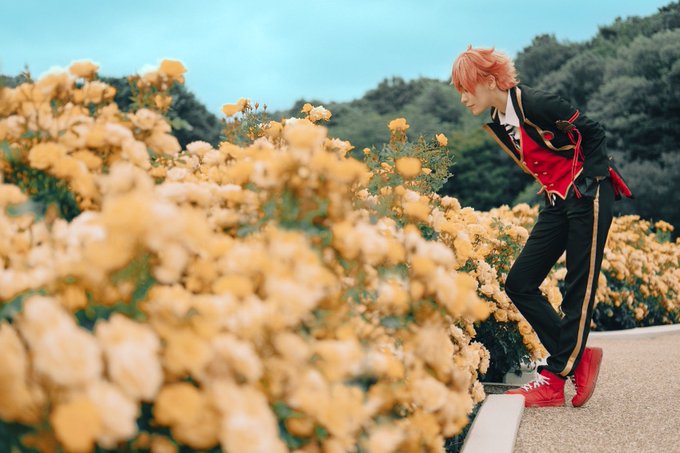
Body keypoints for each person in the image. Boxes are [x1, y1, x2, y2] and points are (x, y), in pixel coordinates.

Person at [450, 46, 633, 408]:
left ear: (489, 81)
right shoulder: (501, 119)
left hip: (586, 195)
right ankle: (580, 359)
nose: (463, 98)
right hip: (556, 201)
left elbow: (593, 132)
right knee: (519, 282)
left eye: (466, 89)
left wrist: (591, 181)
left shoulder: (536, 103)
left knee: (577, 288)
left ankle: (554, 378)